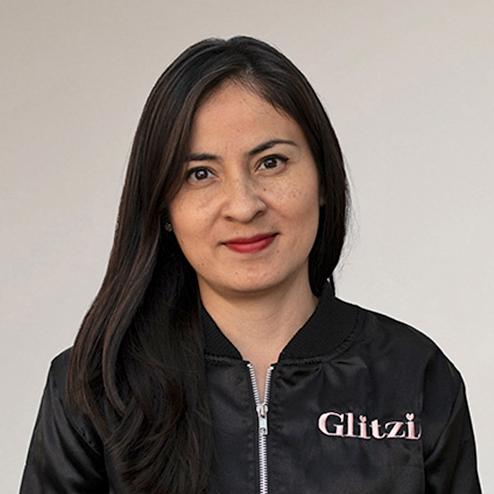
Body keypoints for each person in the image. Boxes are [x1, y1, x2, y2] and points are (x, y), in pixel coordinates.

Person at [20, 35, 482, 494]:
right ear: (163, 206)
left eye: (271, 162)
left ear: (323, 179)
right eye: (200, 174)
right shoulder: (95, 388)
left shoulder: (414, 375)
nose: (243, 206)